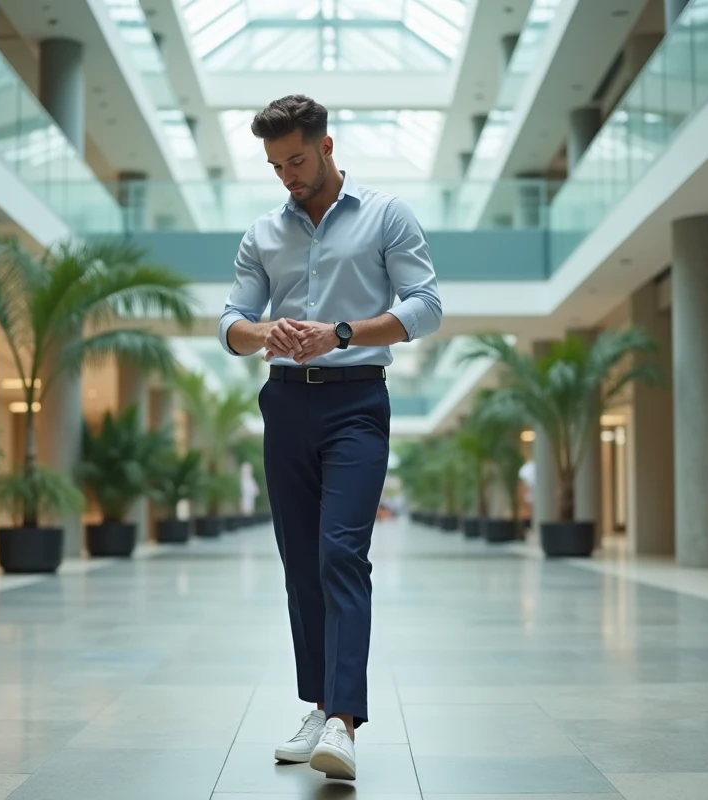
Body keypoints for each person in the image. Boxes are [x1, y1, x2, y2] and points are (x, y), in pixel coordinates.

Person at [217, 94, 442, 780]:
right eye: (275, 164)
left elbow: (425, 307)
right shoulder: (262, 233)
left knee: (341, 551)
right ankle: (320, 704)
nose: (287, 174)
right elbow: (231, 323)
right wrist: (268, 332)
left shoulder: (385, 215)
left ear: (327, 146)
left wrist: (340, 331)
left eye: (297, 159)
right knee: (300, 565)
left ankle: (344, 720)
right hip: (284, 404)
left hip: (356, 404)